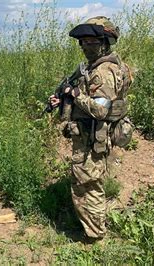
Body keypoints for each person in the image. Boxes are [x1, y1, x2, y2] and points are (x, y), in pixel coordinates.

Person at [49, 16, 131, 242]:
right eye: (83, 42)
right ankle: (95, 226)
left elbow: (101, 110)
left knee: (88, 185)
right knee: (90, 181)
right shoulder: (97, 68)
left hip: (92, 138)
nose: (85, 47)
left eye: (91, 42)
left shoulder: (103, 71)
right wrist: (64, 98)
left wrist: (75, 95)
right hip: (90, 135)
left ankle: (95, 237)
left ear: (105, 42)